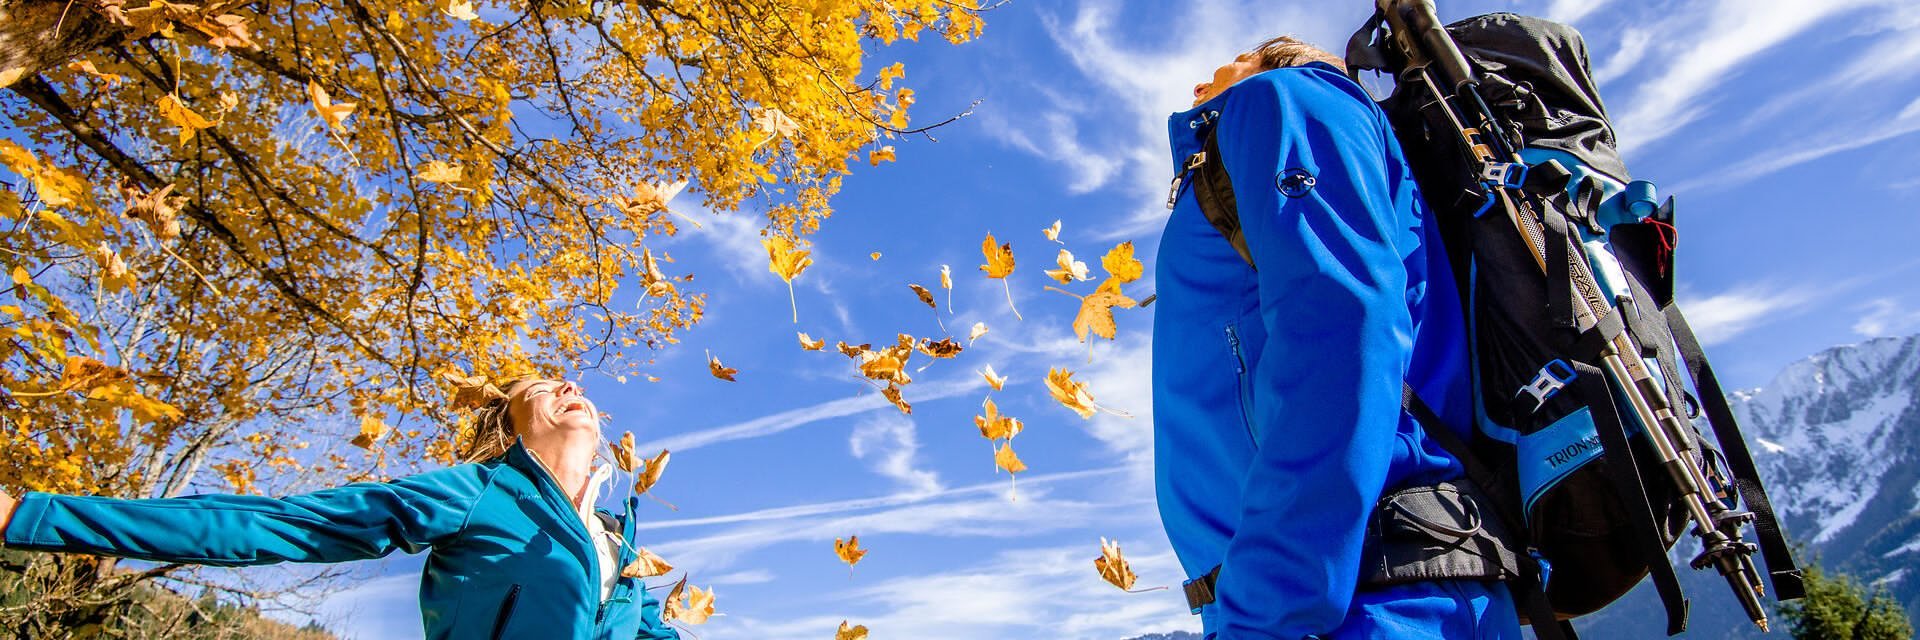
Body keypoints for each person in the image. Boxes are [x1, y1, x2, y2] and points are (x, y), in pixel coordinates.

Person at [1153, 36, 1522, 639]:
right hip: (1342, 595)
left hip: (1350, 602)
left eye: (1226, 62)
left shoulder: (1283, 98)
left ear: (1275, 60)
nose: (1199, 86)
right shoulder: (1256, 137)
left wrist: (1269, 613)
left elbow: (1338, 327)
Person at [0, 378, 679, 640]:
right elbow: (281, 525)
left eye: (571, 382)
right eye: (539, 385)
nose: (568, 383)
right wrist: (27, 515)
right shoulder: (477, 494)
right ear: (508, 425)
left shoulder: (618, 542)